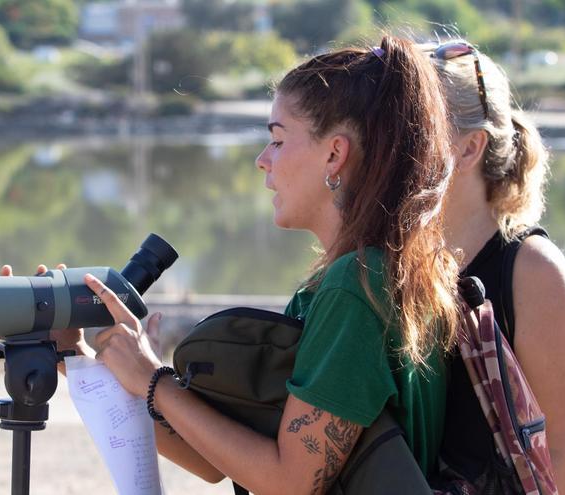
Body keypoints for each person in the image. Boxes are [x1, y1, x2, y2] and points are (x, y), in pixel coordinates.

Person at [55, 36, 461, 492]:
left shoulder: (358, 287)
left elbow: (290, 482)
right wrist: (76, 358)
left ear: (334, 154)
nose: (261, 161)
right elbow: (217, 461)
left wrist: (154, 379)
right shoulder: (379, 271)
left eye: (277, 140)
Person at [431, 40, 565, 493]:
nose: (387, 143)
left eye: (410, 127)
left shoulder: (533, 270)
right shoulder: (399, 259)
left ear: (469, 148)